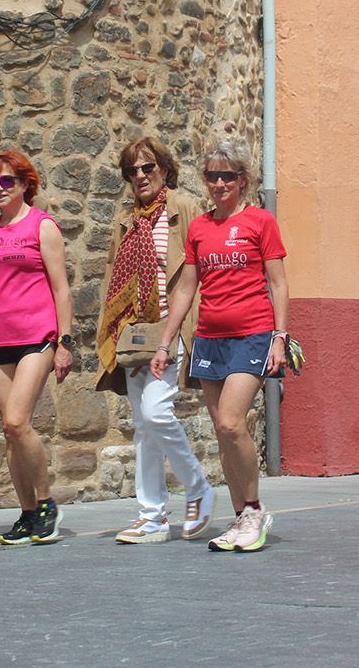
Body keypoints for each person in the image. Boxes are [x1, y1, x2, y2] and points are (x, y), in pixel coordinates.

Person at [152, 140, 288, 553]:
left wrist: (280, 337)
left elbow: (279, 283)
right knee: (223, 433)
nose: (219, 183)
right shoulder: (200, 228)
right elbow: (186, 288)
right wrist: (165, 342)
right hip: (209, 338)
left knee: (231, 423)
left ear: (243, 180)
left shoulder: (260, 222)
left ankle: (253, 509)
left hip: (253, 334)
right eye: (212, 175)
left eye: (228, 175)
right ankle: (242, 517)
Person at [95, 138, 218, 544]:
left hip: (173, 326)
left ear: (164, 170)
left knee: (157, 412)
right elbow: (114, 280)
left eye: (148, 168)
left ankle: (198, 486)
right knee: (143, 426)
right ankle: (152, 516)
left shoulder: (183, 209)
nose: (140, 177)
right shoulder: (127, 220)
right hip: (134, 332)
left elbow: (199, 270)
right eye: (132, 171)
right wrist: (110, 332)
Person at [0, 150, 75, 545]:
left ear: (26, 184)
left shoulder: (43, 227)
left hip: (37, 338)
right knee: (9, 434)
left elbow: (61, 288)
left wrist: (65, 342)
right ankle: (26, 513)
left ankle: (46, 504)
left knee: (16, 421)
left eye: (7, 181)